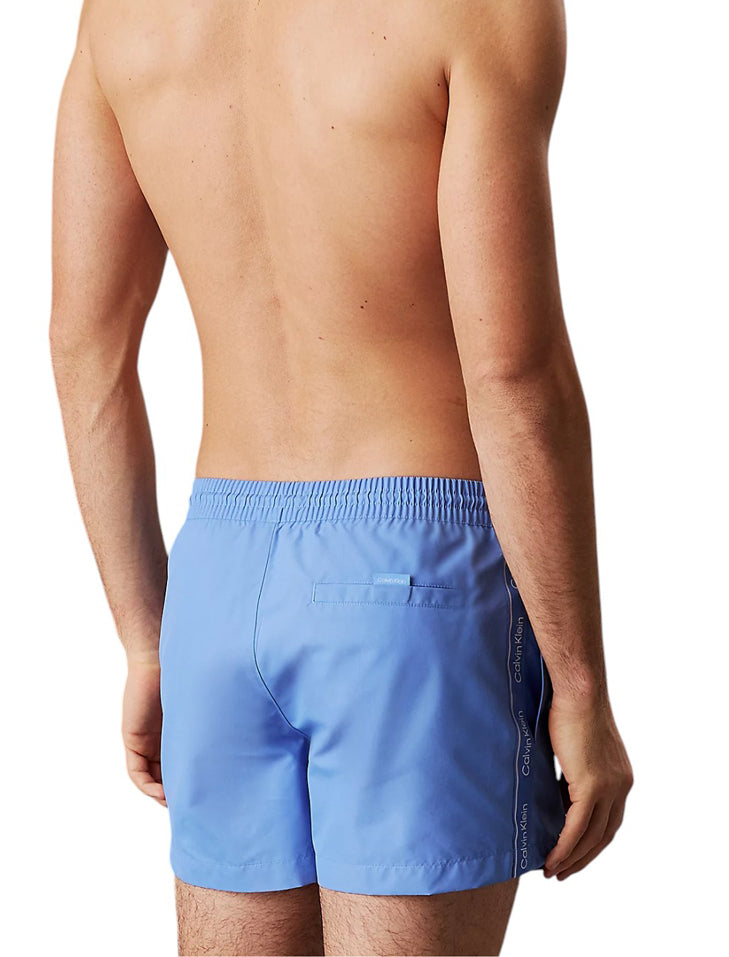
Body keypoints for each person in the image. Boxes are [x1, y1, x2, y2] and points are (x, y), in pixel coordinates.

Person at [49, 0, 633, 954]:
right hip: (413, 578)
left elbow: (86, 353)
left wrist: (146, 641)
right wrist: (578, 684)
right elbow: (513, 378)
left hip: (217, 584)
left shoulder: (118, 18)